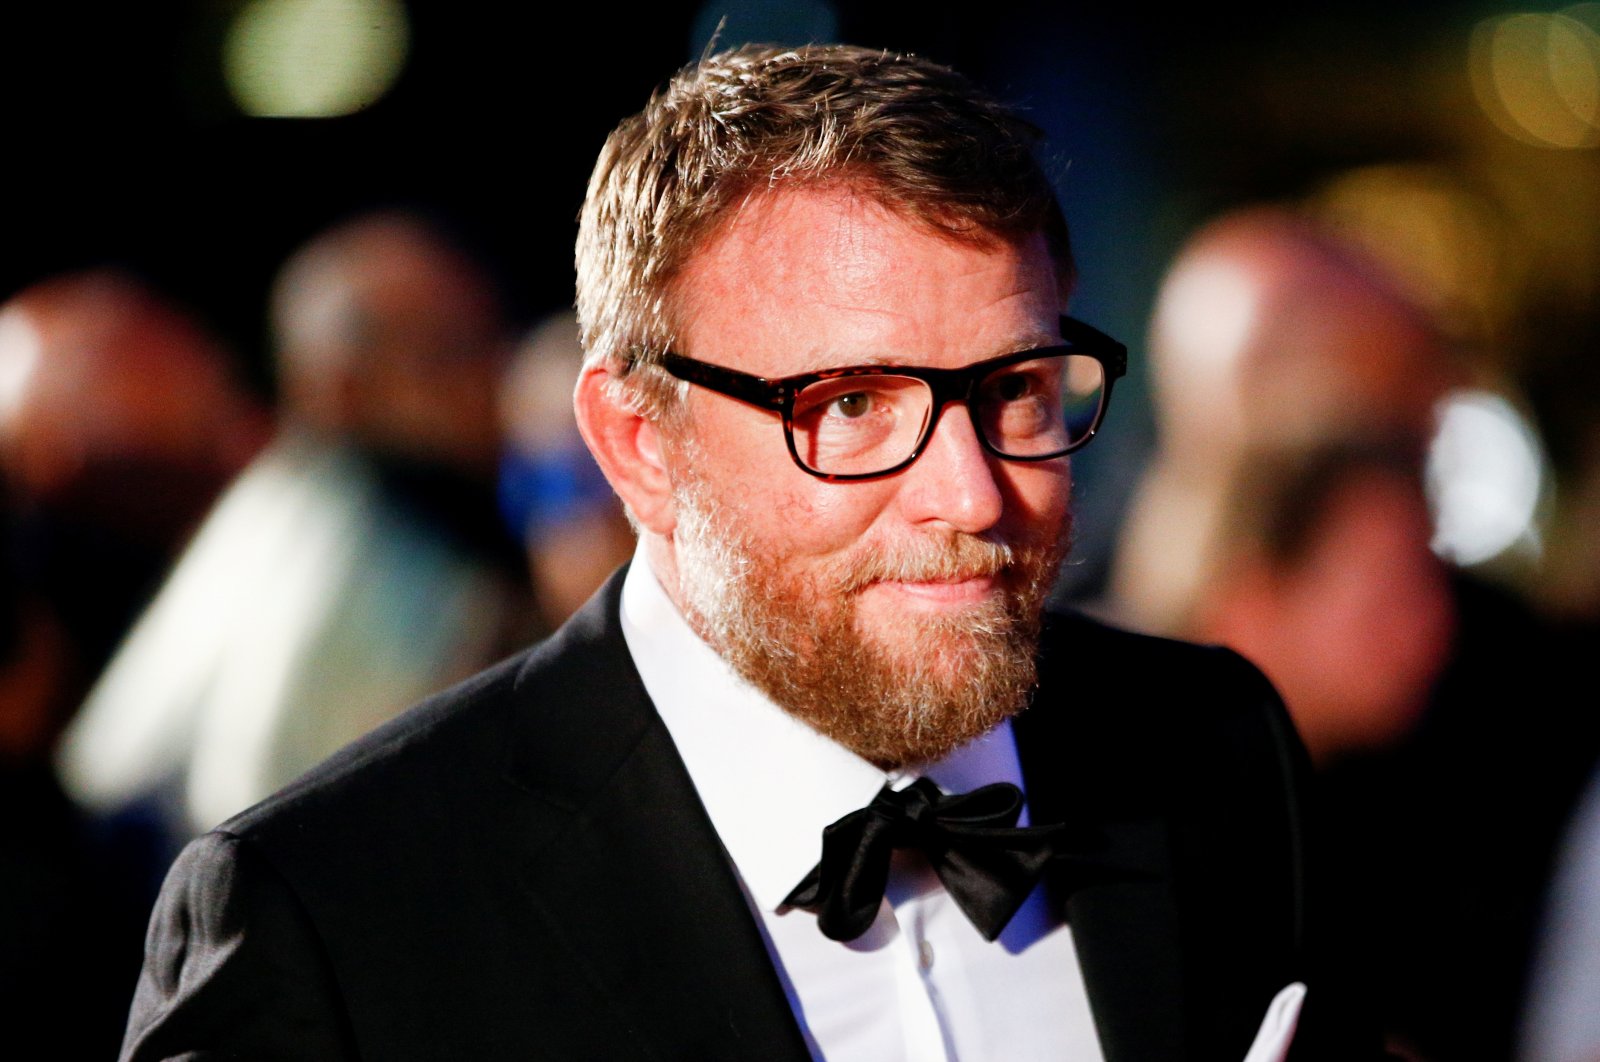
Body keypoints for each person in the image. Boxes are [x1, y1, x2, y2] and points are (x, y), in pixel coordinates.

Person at [120, 45, 1381, 1061]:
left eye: (1018, 391)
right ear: (636, 444)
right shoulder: (335, 915)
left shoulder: (1212, 746)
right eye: (849, 407)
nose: (972, 493)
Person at [56, 211, 531, 849]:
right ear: (342, 388)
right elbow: (251, 798)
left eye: (491, 340)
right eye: (448, 351)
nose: (491, 379)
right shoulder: (365, 531)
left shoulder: (299, 496)